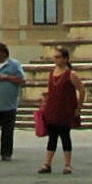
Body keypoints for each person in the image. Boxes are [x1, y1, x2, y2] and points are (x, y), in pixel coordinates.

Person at [37, 47, 81, 175]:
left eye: (59, 57)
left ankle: (67, 165)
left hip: (65, 109)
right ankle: (47, 164)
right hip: (52, 108)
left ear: (65, 59)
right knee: (52, 137)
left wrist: (78, 107)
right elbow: (51, 90)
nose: (56, 59)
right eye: (55, 57)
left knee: (65, 136)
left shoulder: (71, 74)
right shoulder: (52, 73)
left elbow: (81, 90)